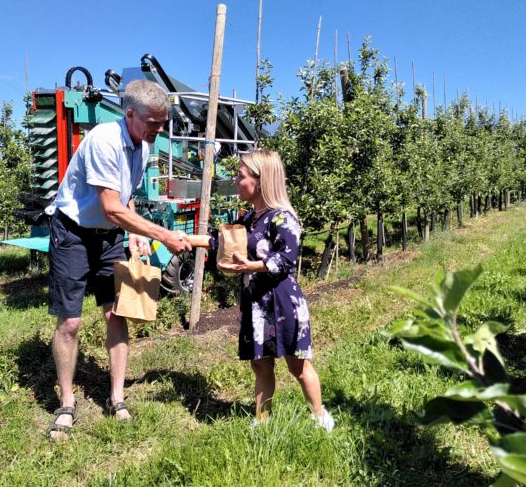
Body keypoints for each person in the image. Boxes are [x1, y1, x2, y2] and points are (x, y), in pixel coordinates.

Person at [46, 79, 192, 440]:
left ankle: (116, 397)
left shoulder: (142, 146)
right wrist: (162, 234)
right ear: (130, 114)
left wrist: (137, 234)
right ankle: (66, 402)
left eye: (163, 122)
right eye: (154, 122)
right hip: (74, 233)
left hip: (108, 235)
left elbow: (124, 198)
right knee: (71, 323)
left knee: (117, 313)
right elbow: (110, 207)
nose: (160, 129)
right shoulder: (103, 141)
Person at [189, 149, 334, 432]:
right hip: (257, 303)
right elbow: (221, 243)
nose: (236, 180)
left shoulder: (282, 218)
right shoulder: (250, 219)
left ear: (260, 180)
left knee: (298, 366)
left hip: (282, 302)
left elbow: (285, 259)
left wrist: (251, 266)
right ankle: (262, 421)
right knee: (260, 365)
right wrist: (184, 239)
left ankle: (320, 418)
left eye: (240, 176)